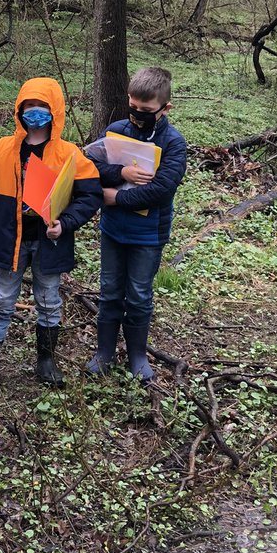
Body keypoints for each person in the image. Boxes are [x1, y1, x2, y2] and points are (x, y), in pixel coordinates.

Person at [0, 78, 102, 387]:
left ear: (55, 111)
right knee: (2, 299)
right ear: (19, 110)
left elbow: (90, 195)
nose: (35, 113)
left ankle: (46, 361)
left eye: (42, 107)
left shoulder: (70, 154)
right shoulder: (2, 148)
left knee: (49, 299)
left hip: (50, 242)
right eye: (29, 107)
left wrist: (65, 224)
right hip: (10, 239)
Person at [84, 67, 187, 382]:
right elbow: (92, 164)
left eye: (147, 110)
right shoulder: (117, 130)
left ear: (164, 108)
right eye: (134, 107)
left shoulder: (173, 143)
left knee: (139, 293)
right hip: (113, 230)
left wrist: (116, 198)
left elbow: (161, 189)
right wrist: (121, 174)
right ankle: (104, 352)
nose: (138, 114)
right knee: (110, 289)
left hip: (148, 235)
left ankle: (138, 355)